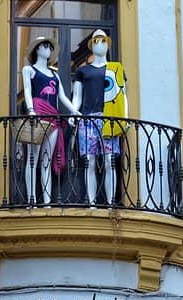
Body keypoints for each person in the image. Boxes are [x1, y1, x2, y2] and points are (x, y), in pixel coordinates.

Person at [72, 29, 127, 206]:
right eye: (96, 41)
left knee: (110, 160)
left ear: (107, 44)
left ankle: (111, 203)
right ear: (92, 45)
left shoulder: (116, 68)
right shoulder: (83, 71)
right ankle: (92, 202)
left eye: (103, 41)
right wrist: (73, 112)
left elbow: (122, 95)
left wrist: (125, 119)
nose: (100, 44)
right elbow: (77, 96)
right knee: (90, 161)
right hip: (87, 120)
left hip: (109, 119)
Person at [20, 36, 77, 205]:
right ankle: (31, 200)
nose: (48, 49)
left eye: (50, 47)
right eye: (45, 45)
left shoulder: (55, 75)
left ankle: (47, 201)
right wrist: (31, 110)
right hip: (38, 113)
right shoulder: (29, 70)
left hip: (53, 116)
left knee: (46, 160)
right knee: (33, 159)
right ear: (37, 49)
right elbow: (27, 91)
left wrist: (74, 111)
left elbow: (62, 97)